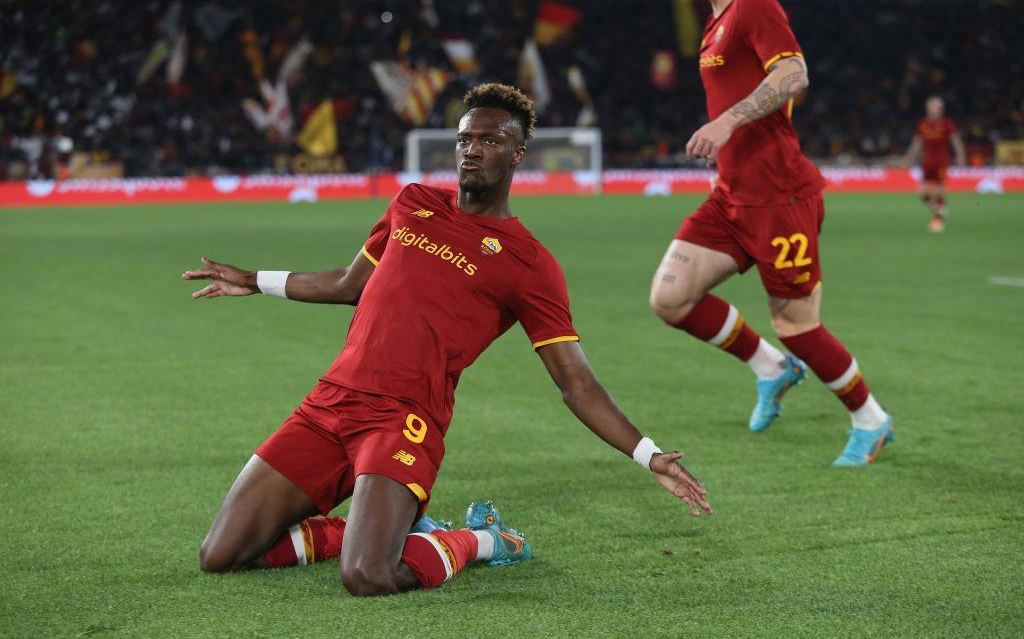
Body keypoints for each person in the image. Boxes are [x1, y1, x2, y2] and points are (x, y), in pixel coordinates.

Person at [183, 83, 711, 597]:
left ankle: (483, 539)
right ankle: (373, 531)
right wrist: (254, 280)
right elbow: (348, 286)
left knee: (367, 577)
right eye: (465, 140)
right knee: (222, 555)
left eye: (490, 141)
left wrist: (648, 454)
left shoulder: (530, 264)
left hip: (403, 420)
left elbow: (576, 384)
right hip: (331, 403)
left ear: (517, 154)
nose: (472, 151)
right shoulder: (413, 203)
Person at [648, 0, 893, 467]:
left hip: (779, 197)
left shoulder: (753, 4)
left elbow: (793, 74)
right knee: (671, 298)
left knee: (797, 326)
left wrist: (726, 123)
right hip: (732, 196)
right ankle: (771, 367)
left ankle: (870, 418)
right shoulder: (714, 21)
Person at [903, 96, 967, 233]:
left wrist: (961, 156)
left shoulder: (947, 124)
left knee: (938, 189)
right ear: (928, 108)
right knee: (922, 193)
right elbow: (917, 143)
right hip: (927, 162)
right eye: (935, 107)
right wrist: (909, 159)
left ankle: (938, 221)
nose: (938, 110)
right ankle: (941, 210)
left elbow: (956, 141)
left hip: (941, 161)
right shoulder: (923, 125)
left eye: (940, 108)